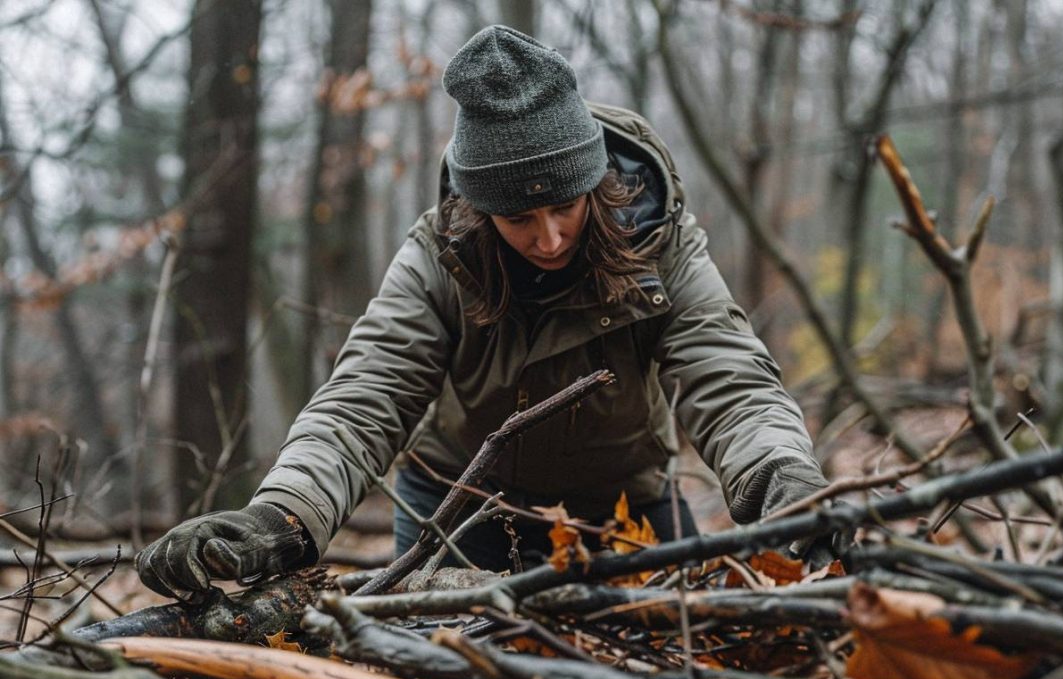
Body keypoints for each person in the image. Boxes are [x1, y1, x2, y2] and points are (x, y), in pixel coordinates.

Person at [136, 25, 829, 601]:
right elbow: (362, 399)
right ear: (478, 208)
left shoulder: (662, 240)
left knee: (677, 650)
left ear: (596, 182)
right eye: (520, 217)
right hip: (461, 504)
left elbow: (728, 375)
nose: (550, 237)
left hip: (625, 501)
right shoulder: (437, 256)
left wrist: (779, 475)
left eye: (565, 204)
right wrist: (283, 516)